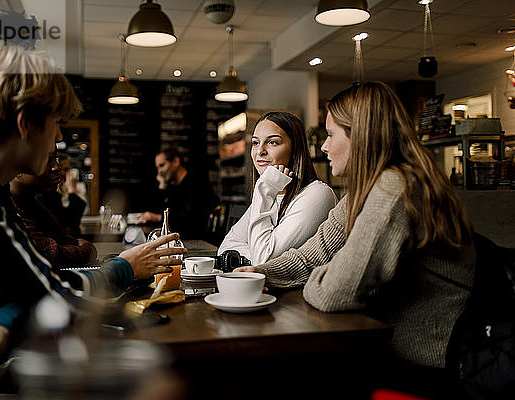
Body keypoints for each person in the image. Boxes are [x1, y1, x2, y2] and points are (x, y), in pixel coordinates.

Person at [0, 42, 185, 394]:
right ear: (26, 123)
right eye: (56, 123)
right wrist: (126, 267)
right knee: (154, 386)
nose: (58, 138)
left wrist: (3, 320)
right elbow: (51, 294)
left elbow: (27, 283)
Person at [237, 82, 475, 397]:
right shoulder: (365, 189)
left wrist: (330, 270)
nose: (322, 147)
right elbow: (313, 254)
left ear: (361, 136)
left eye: (331, 135)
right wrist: (264, 273)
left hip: (424, 369)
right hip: (384, 351)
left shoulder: (394, 187)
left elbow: (336, 292)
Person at [217, 111, 337, 265]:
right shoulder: (271, 193)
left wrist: (264, 189)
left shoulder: (317, 195)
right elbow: (225, 249)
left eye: (272, 142)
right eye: (255, 142)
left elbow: (264, 262)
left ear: (295, 150)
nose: (260, 151)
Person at [10, 153, 97, 267]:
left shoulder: (31, 202)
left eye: (55, 159)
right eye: (47, 159)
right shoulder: (7, 204)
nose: (57, 168)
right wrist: (86, 250)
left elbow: (66, 239)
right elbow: (50, 254)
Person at [138, 147, 219, 239]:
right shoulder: (173, 186)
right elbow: (158, 211)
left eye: (162, 165)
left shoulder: (196, 183)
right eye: (157, 168)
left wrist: (157, 218)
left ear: (176, 161)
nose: (159, 172)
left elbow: (191, 220)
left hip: (197, 240)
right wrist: (162, 186)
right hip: (179, 238)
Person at [37, 153, 87, 236]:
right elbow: (70, 222)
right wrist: (72, 190)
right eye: (66, 169)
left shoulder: (58, 193)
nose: (69, 173)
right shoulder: (48, 196)